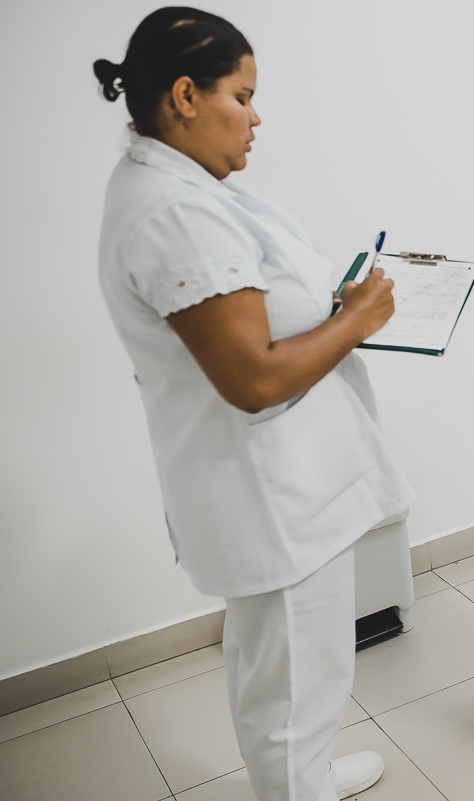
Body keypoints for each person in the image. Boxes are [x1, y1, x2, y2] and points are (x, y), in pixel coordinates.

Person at [94, 9, 414, 799]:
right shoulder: (175, 213)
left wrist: (327, 310)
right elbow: (253, 379)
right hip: (273, 496)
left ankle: (304, 776)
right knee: (296, 686)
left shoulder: (172, 185)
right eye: (242, 97)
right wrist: (355, 321)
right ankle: (298, 785)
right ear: (184, 96)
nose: (256, 117)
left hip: (274, 487)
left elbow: (251, 314)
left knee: (284, 671)